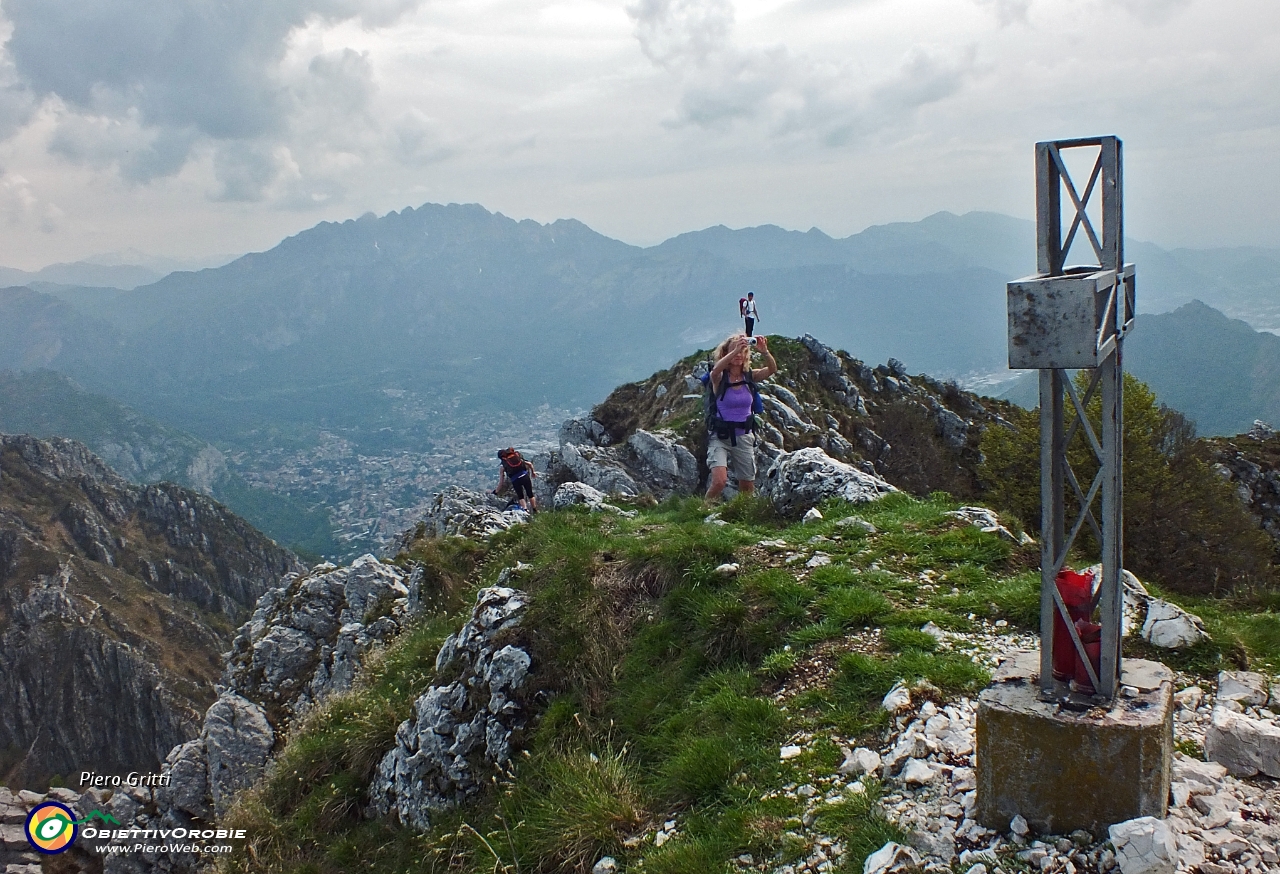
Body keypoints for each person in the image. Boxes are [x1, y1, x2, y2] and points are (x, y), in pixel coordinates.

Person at [705, 333, 777, 500]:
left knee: (747, 486)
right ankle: (702, 510)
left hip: (744, 436)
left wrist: (765, 352)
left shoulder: (749, 376)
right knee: (719, 481)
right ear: (726, 354)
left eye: (743, 351)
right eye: (735, 351)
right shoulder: (720, 378)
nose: (739, 355)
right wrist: (734, 350)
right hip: (720, 436)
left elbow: (772, 370)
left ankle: (744, 516)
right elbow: (715, 371)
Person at [494, 448, 538, 513]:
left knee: (521, 496)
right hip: (525, 476)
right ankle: (535, 510)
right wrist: (533, 472)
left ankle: (525, 511)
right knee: (530, 494)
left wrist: (496, 491)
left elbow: (501, 482)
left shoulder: (503, 466)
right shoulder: (517, 458)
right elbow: (530, 464)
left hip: (515, 480)